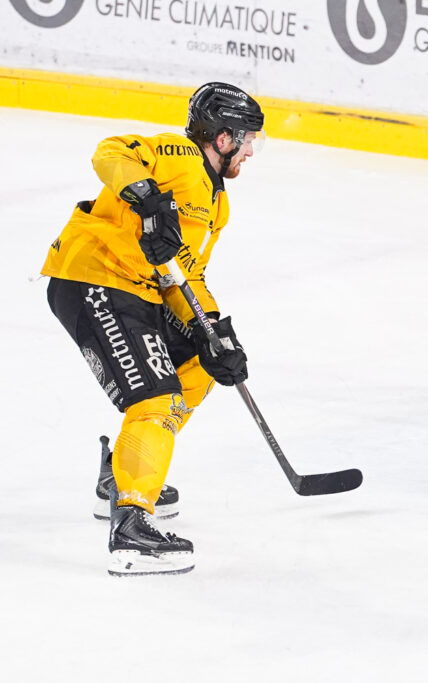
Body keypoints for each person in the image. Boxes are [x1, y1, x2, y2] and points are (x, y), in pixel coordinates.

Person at [40, 82, 264, 576]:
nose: (251, 150)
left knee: (200, 365)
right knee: (156, 398)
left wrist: (213, 332)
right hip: (93, 277)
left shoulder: (216, 201)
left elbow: (185, 276)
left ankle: (122, 474)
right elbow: (111, 151)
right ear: (222, 138)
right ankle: (132, 527)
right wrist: (144, 194)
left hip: (139, 289)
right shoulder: (177, 152)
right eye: (247, 139)